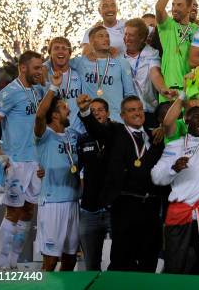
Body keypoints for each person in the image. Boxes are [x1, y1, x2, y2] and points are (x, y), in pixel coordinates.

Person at [77, 94, 164, 272]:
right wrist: (85, 111)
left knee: (149, 257)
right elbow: (96, 130)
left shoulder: (154, 136)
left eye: (140, 109)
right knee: (123, 258)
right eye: (132, 110)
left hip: (151, 206)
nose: (137, 113)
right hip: (125, 205)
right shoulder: (115, 132)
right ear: (122, 115)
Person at [0, 51, 45, 269]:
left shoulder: (37, 91)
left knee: (29, 210)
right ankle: (2, 265)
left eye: (41, 67)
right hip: (15, 161)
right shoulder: (9, 92)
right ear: (23, 68)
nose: (40, 71)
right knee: (13, 212)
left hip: (34, 160)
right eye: (36, 68)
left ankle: (13, 261)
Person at [151, 106, 199, 275]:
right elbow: (156, 176)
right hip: (180, 213)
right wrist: (173, 169)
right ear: (186, 121)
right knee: (175, 266)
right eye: (196, 117)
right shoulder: (174, 146)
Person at [33, 71, 80, 271]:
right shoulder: (45, 135)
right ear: (54, 114)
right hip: (52, 203)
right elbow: (39, 115)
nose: (68, 111)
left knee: (70, 259)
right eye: (63, 108)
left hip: (73, 201)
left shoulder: (72, 135)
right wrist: (53, 87)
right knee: (51, 261)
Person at [154, 0, 199, 99]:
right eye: (173, 4)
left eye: (179, 5)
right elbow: (159, 8)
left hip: (192, 89)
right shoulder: (167, 26)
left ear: (189, 8)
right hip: (169, 89)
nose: (174, 8)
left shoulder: (198, 30)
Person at [76, 98, 111, 271]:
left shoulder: (118, 134)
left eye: (100, 109)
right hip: (89, 210)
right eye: (93, 110)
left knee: (120, 262)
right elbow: (76, 168)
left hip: (114, 209)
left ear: (108, 113)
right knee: (90, 266)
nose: (96, 113)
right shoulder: (82, 140)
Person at [73, 26, 135, 122]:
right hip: (90, 121)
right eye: (101, 36)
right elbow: (57, 63)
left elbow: (130, 93)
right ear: (91, 41)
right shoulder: (81, 62)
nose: (106, 39)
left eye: (107, 36)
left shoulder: (121, 62)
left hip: (116, 120)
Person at [123, 18, 177, 127]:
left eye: (131, 35)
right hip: (126, 112)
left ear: (142, 38)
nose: (127, 39)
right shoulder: (119, 56)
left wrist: (163, 89)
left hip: (148, 110)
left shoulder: (151, 53)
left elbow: (155, 73)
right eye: (125, 34)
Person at [46, 37, 83, 134]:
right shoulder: (45, 76)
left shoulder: (79, 74)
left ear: (70, 53)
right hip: (54, 134)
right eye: (56, 48)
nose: (60, 51)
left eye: (64, 48)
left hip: (77, 133)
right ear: (50, 53)